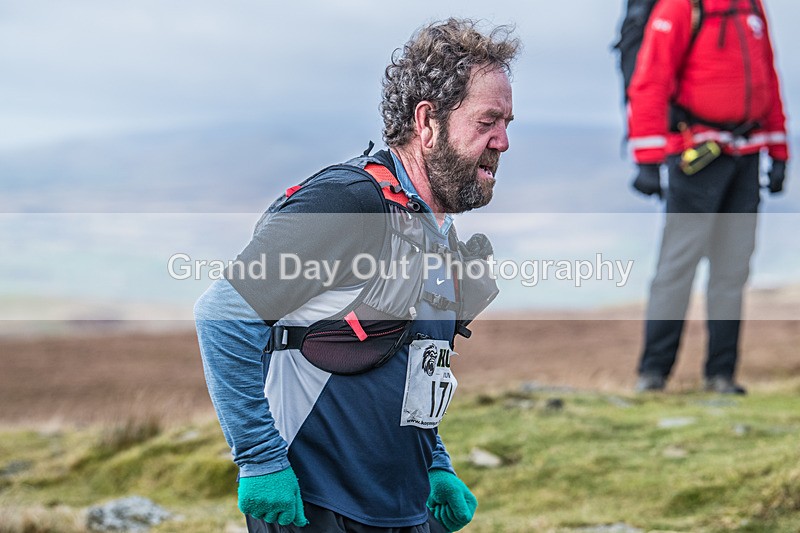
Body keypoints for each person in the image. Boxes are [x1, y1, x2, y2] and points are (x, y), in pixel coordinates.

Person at [194, 18, 519, 532]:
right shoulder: (349, 203)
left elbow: (413, 364)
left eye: (507, 123)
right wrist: (260, 461)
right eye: (488, 122)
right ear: (427, 122)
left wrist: (435, 463)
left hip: (404, 509)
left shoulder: (433, 229)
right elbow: (223, 315)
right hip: (316, 505)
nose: (503, 141)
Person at [627, 0, 789, 394]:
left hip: (746, 157)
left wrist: (779, 151)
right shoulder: (680, 7)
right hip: (695, 157)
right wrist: (647, 159)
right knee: (677, 267)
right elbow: (650, 80)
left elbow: (767, 76)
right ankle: (653, 375)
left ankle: (721, 375)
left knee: (733, 270)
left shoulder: (752, 6)